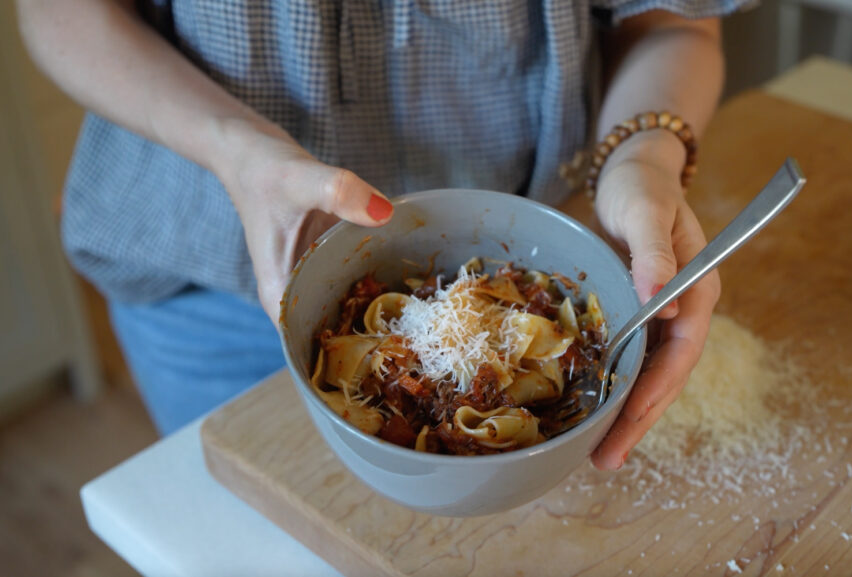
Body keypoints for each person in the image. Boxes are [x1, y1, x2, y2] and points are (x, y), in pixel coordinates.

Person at [18, 0, 749, 470]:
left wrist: (643, 158)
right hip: (196, 266)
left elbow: (671, 18)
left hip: (532, 224)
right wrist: (233, 148)